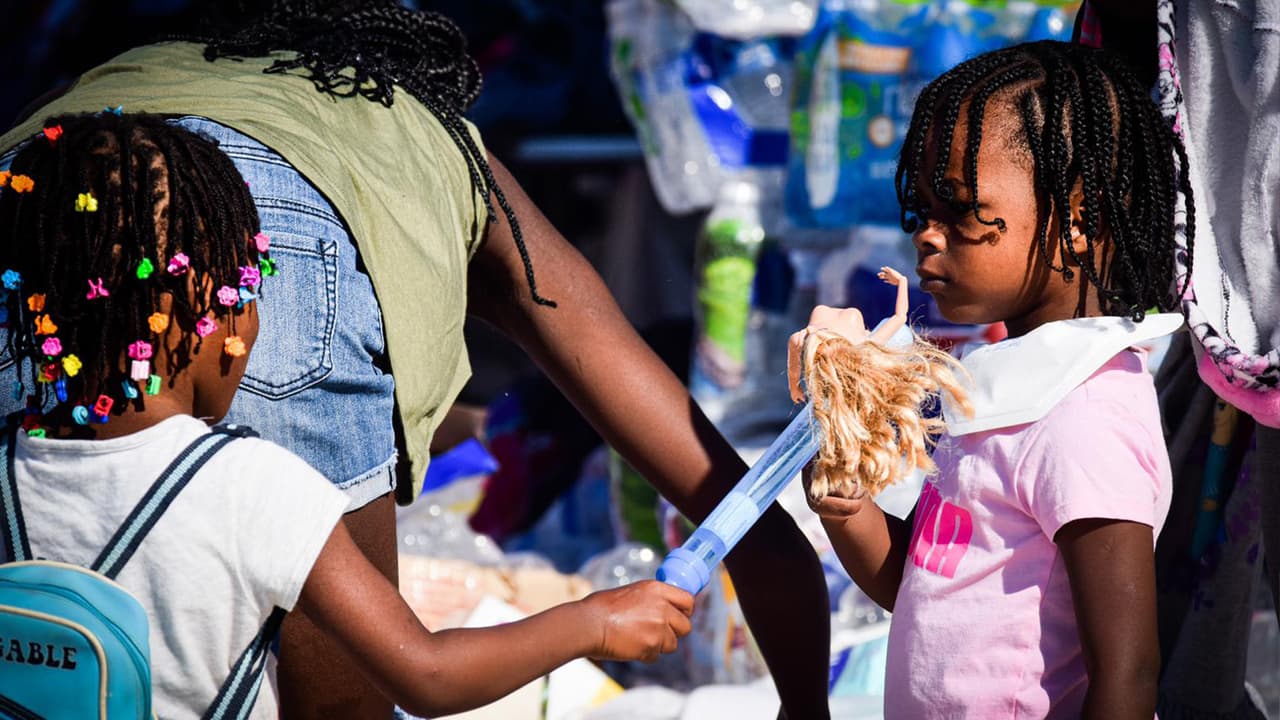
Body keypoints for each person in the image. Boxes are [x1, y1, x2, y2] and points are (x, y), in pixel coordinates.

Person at [0, 4, 831, 718]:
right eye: (249, 308)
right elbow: (422, 671)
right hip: (301, 206)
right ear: (225, 320)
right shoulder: (263, 485)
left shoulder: (16, 463)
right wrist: (601, 625)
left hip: (38, 203)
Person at [789, 40, 1194, 719]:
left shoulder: (1084, 410)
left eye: (959, 209)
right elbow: (917, 586)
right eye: (922, 212)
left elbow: (1127, 671)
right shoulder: (1001, 391)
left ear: (1079, 221)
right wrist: (847, 504)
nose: (925, 236)